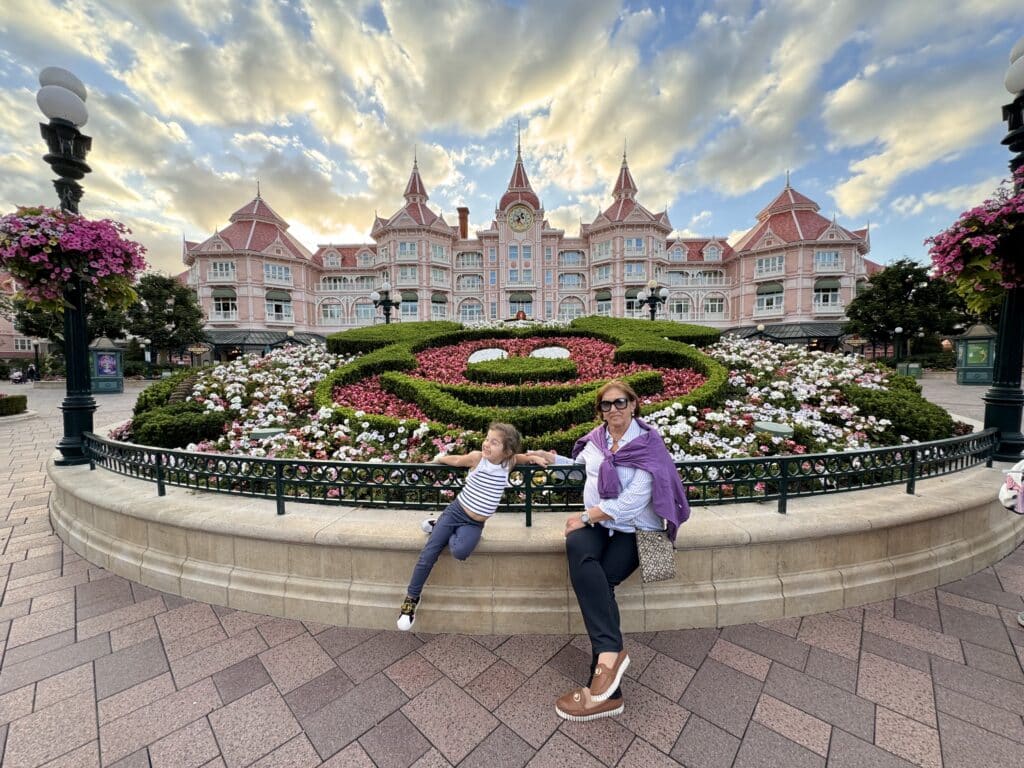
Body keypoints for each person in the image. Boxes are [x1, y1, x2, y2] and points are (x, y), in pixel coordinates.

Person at [537, 379, 690, 722]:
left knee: (599, 584)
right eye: (606, 405)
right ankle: (609, 664)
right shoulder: (597, 441)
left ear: (634, 404)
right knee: (577, 544)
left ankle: (604, 685)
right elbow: (584, 472)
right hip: (601, 526)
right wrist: (554, 459)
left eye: (620, 403)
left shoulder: (649, 445)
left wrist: (582, 515)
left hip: (636, 530)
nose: (613, 410)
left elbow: (633, 502)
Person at [397, 422, 549, 631]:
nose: (486, 444)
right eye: (487, 439)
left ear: (507, 451)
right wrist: (439, 458)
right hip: (456, 512)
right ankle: (411, 599)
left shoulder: (508, 463)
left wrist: (533, 457)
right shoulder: (478, 458)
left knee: (460, 552)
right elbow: (458, 460)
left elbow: (521, 457)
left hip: (475, 524)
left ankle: (437, 526)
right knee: (428, 555)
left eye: (493, 442)